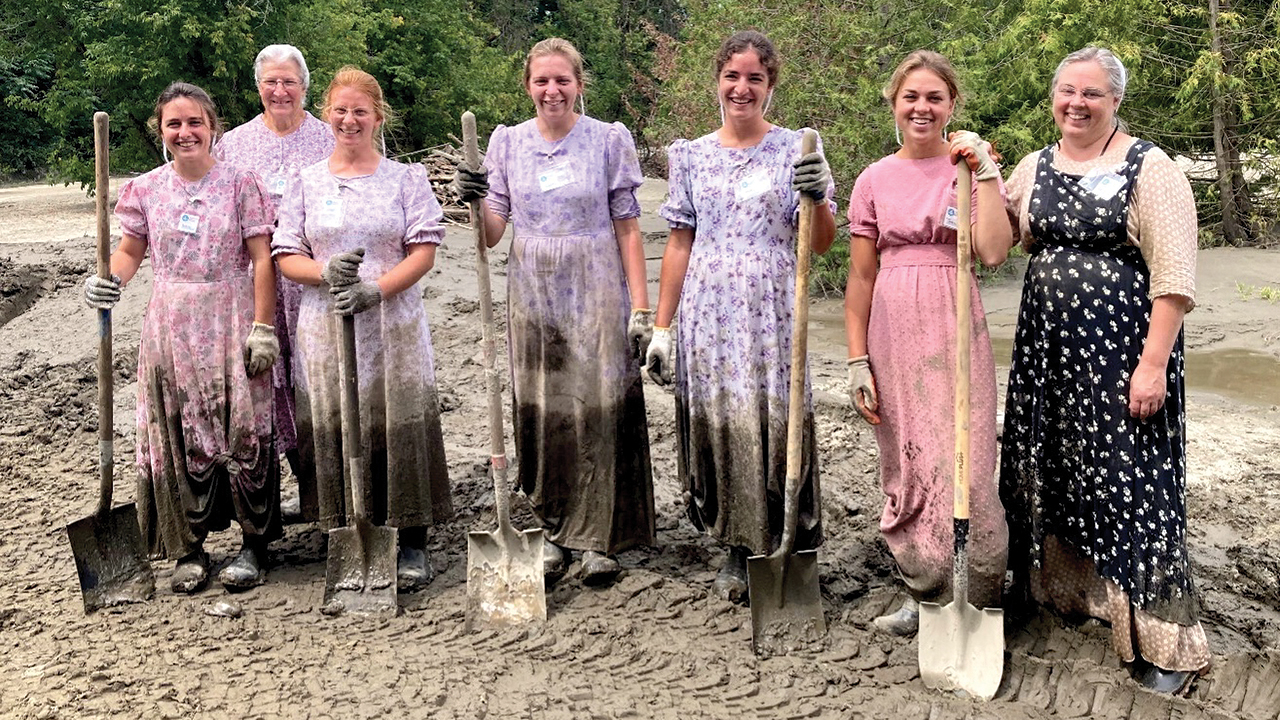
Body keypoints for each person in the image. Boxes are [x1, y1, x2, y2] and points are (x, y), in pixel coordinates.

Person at [1000, 46, 1206, 693]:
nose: (1077, 103)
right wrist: (978, 170)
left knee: (1134, 483)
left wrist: (1152, 366)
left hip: (1123, 358)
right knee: (1059, 471)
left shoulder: (1151, 167)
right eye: (1067, 91)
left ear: (1115, 100)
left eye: (1091, 93)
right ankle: (1072, 598)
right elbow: (994, 239)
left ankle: (1162, 644)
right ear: (1053, 97)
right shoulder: (1035, 165)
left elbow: (1174, 279)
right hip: (1049, 358)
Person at [454, 38, 655, 584]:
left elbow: (628, 228)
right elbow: (492, 234)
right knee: (547, 407)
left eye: (562, 80)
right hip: (534, 293)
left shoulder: (608, 140)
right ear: (528, 86)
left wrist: (641, 308)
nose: (552, 90)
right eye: (542, 80)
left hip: (596, 286)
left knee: (598, 405)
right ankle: (555, 530)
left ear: (579, 85)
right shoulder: (508, 143)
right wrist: (474, 197)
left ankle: (600, 539)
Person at [645, 30, 836, 602]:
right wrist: (661, 328)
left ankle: (788, 540)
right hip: (708, 313)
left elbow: (821, 242)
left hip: (774, 312)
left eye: (755, 77)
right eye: (732, 76)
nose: (742, 88)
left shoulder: (797, 148)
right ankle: (736, 545)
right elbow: (679, 243)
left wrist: (818, 196)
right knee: (726, 423)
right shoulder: (690, 156)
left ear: (770, 85)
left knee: (777, 421)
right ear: (718, 82)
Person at [83, 82, 280, 592]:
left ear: (212, 127)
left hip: (232, 318)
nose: (185, 132)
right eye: (174, 124)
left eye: (195, 122)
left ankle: (254, 545)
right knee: (179, 433)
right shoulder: (146, 189)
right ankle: (189, 549)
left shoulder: (241, 183)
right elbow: (130, 252)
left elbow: (263, 259)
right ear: (161, 131)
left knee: (244, 432)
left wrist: (263, 328)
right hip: (171, 326)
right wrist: (108, 279)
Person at [843, 50, 1011, 635]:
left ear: (952, 105)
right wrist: (857, 359)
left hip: (955, 323)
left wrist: (985, 173)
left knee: (969, 463)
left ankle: (978, 594)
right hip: (892, 331)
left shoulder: (969, 167)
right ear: (894, 103)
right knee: (908, 466)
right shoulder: (872, 179)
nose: (922, 107)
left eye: (934, 97)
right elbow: (860, 277)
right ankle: (923, 592)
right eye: (910, 96)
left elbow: (994, 252)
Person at [273, 66, 452, 592]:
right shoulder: (306, 181)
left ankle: (412, 538)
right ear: (326, 114)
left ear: (378, 117)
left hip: (392, 324)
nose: (349, 120)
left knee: (397, 417)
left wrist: (377, 289)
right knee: (338, 419)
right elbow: (286, 253)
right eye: (340, 110)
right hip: (328, 324)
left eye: (360, 111)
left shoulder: (405, 179)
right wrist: (325, 272)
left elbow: (424, 251)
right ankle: (346, 528)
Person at [215, 44, 335, 524]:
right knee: (268, 391)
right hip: (259, 289)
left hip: (315, 286)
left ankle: (327, 496)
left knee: (318, 388)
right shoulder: (234, 145)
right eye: (271, 81)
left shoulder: (330, 137)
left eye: (289, 81)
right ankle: (287, 501)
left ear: (304, 86)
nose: (280, 90)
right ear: (258, 87)